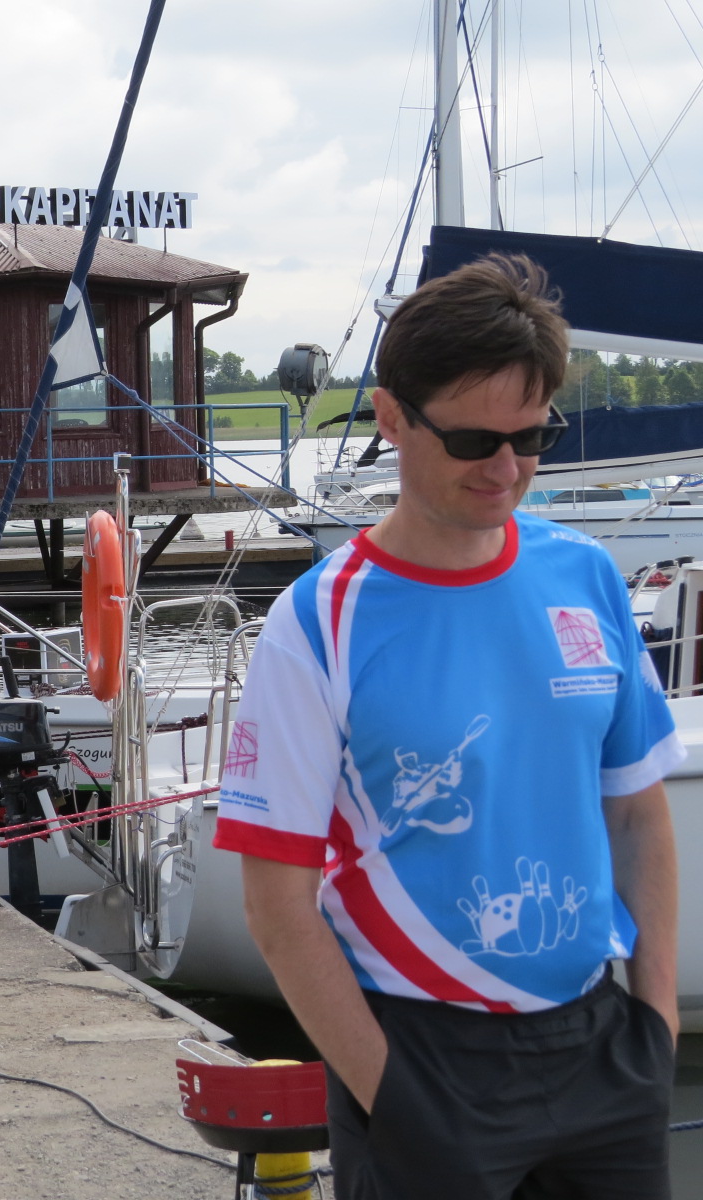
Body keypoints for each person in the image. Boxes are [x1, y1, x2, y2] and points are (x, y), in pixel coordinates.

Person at [212, 255, 682, 1198]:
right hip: (420, 1054)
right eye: (473, 440)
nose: (506, 469)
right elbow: (275, 902)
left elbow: (637, 812)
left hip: (602, 1049)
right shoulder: (318, 624)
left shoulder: (586, 574)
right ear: (391, 418)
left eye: (532, 437)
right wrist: (389, 1093)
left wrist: (656, 1026)